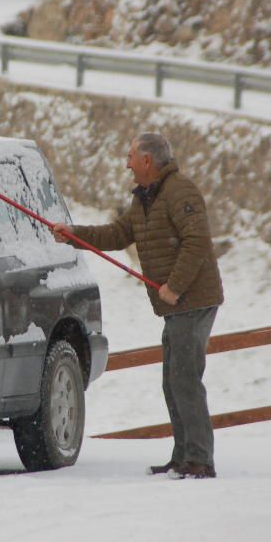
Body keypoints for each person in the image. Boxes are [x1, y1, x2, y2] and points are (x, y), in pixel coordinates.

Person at [52, 133, 224, 479]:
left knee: (185, 380)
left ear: (148, 160)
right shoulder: (145, 198)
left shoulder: (180, 191)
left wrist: (174, 287)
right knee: (173, 381)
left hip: (192, 300)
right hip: (177, 305)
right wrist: (75, 234)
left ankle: (200, 460)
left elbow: (197, 243)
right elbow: (117, 235)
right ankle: (183, 457)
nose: (126, 163)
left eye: (131, 156)